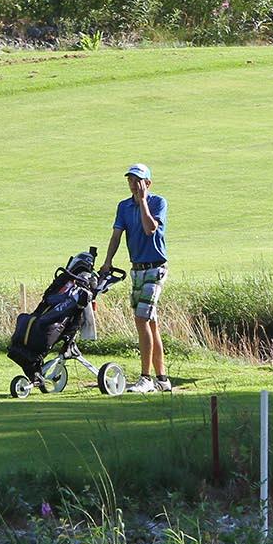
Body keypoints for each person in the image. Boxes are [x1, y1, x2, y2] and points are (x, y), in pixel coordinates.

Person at [105, 162, 170, 392]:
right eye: (130, 180)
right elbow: (116, 236)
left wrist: (142, 201)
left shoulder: (157, 202)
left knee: (142, 319)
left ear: (147, 183)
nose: (133, 184)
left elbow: (149, 228)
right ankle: (162, 380)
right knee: (150, 323)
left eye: (137, 180)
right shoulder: (123, 207)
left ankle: (146, 379)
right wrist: (108, 262)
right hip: (137, 269)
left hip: (155, 268)